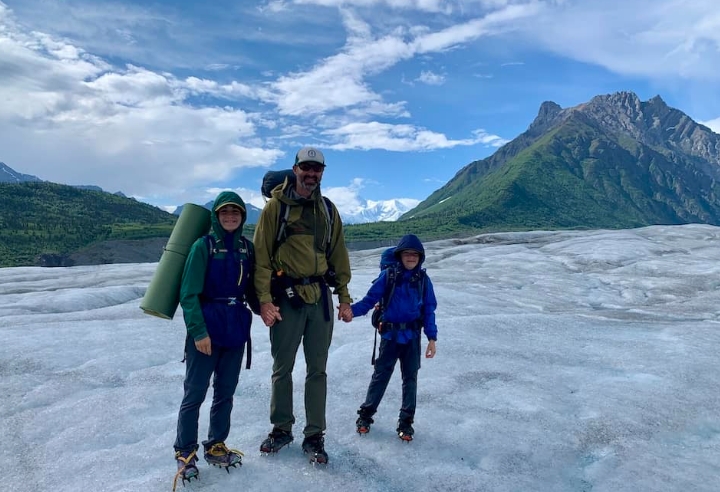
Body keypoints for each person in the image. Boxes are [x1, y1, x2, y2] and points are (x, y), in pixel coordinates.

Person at [253, 146, 353, 464]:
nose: (311, 174)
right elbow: (262, 258)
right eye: (306, 168)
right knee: (282, 369)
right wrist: (265, 301)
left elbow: (338, 254)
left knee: (317, 371)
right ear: (295, 169)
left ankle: (314, 435)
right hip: (287, 298)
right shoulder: (275, 209)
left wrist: (344, 297)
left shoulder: (328, 210)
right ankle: (281, 428)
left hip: (320, 298)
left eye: (317, 169)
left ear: (322, 172)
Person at [173, 191, 259, 490]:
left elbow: (250, 291)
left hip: (235, 329)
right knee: (195, 393)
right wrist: (198, 332)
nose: (231, 217)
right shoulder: (203, 246)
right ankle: (185, 451)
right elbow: (188, 293)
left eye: (236, 212)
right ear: (216, 216)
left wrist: (268, 309)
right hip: (208, 327)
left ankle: (215, 444)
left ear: (242, 216)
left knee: (225, 392)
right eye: (225, 212)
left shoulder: (248, 249)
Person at [349, 234, 437, 441]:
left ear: (420, 257)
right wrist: (351, 311)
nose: (411, 257)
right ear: (400, 255)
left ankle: (406, 423)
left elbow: (429, 310)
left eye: (415, 254)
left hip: (412, 338)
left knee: (410, 379)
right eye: (407, 253)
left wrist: (432, 338)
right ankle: (365, 416)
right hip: (390, 335)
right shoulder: (388, 276)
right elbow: (370, 299)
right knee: (381, 376)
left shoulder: (423, 281)